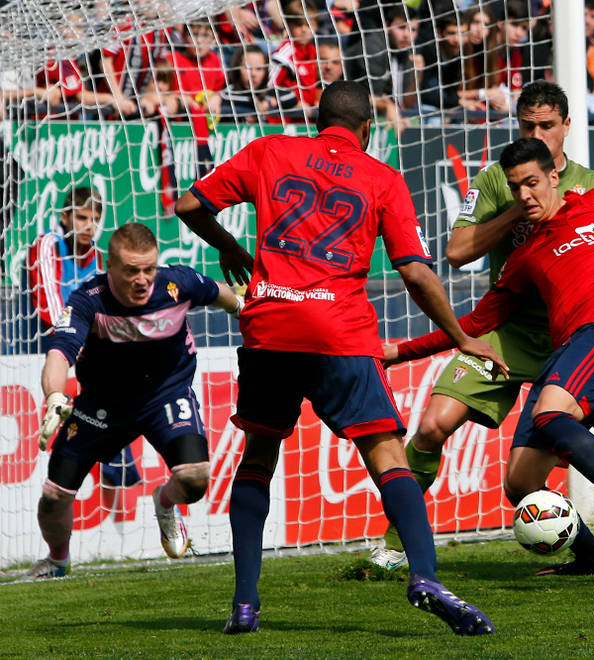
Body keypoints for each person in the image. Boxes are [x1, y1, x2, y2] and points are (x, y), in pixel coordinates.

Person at [175, 80, 501, 636]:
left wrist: (230, 248)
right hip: (339, 333)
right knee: (386, 454)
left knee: (258, 454)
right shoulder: (382, 178)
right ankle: (424, 576)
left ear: (316, 117)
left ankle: (246, 603)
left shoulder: (270, 150)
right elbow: (415, 271)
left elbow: (188, 204)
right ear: (367, 129)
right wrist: (460, 336)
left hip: (270, 326)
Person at [372, 81, 594, 574]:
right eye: (528, 126)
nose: (538, 134)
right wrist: (517, 211)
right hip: (508, 331)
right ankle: (396, 544)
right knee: (434, 424)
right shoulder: (501, 179)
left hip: (582, 332)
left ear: (567, 126)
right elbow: (456, 253)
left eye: (547, 126)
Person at [27, 223, 243, 580]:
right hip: (103, 406)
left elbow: (220, 293)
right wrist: (53, 396)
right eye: (131, 271)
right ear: (109, 266)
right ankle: (57, 561)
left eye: (148, 269)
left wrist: (243, 309)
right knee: (54, 495)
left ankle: (165, 504)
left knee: (194, 478)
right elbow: (59, 353)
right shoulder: (88, 300)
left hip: (166, 395)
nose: (142, 280)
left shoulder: (176, 284)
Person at [26, 186, 141, 489]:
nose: (89, 226)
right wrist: (72, 341)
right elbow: (47, 302)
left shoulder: (101, 259)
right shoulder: (47, 245)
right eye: (81, 217)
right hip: (50, 342)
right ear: (64, 218)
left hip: (88, 349)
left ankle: (117, 462)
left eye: (94, 219)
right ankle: (114, 461)